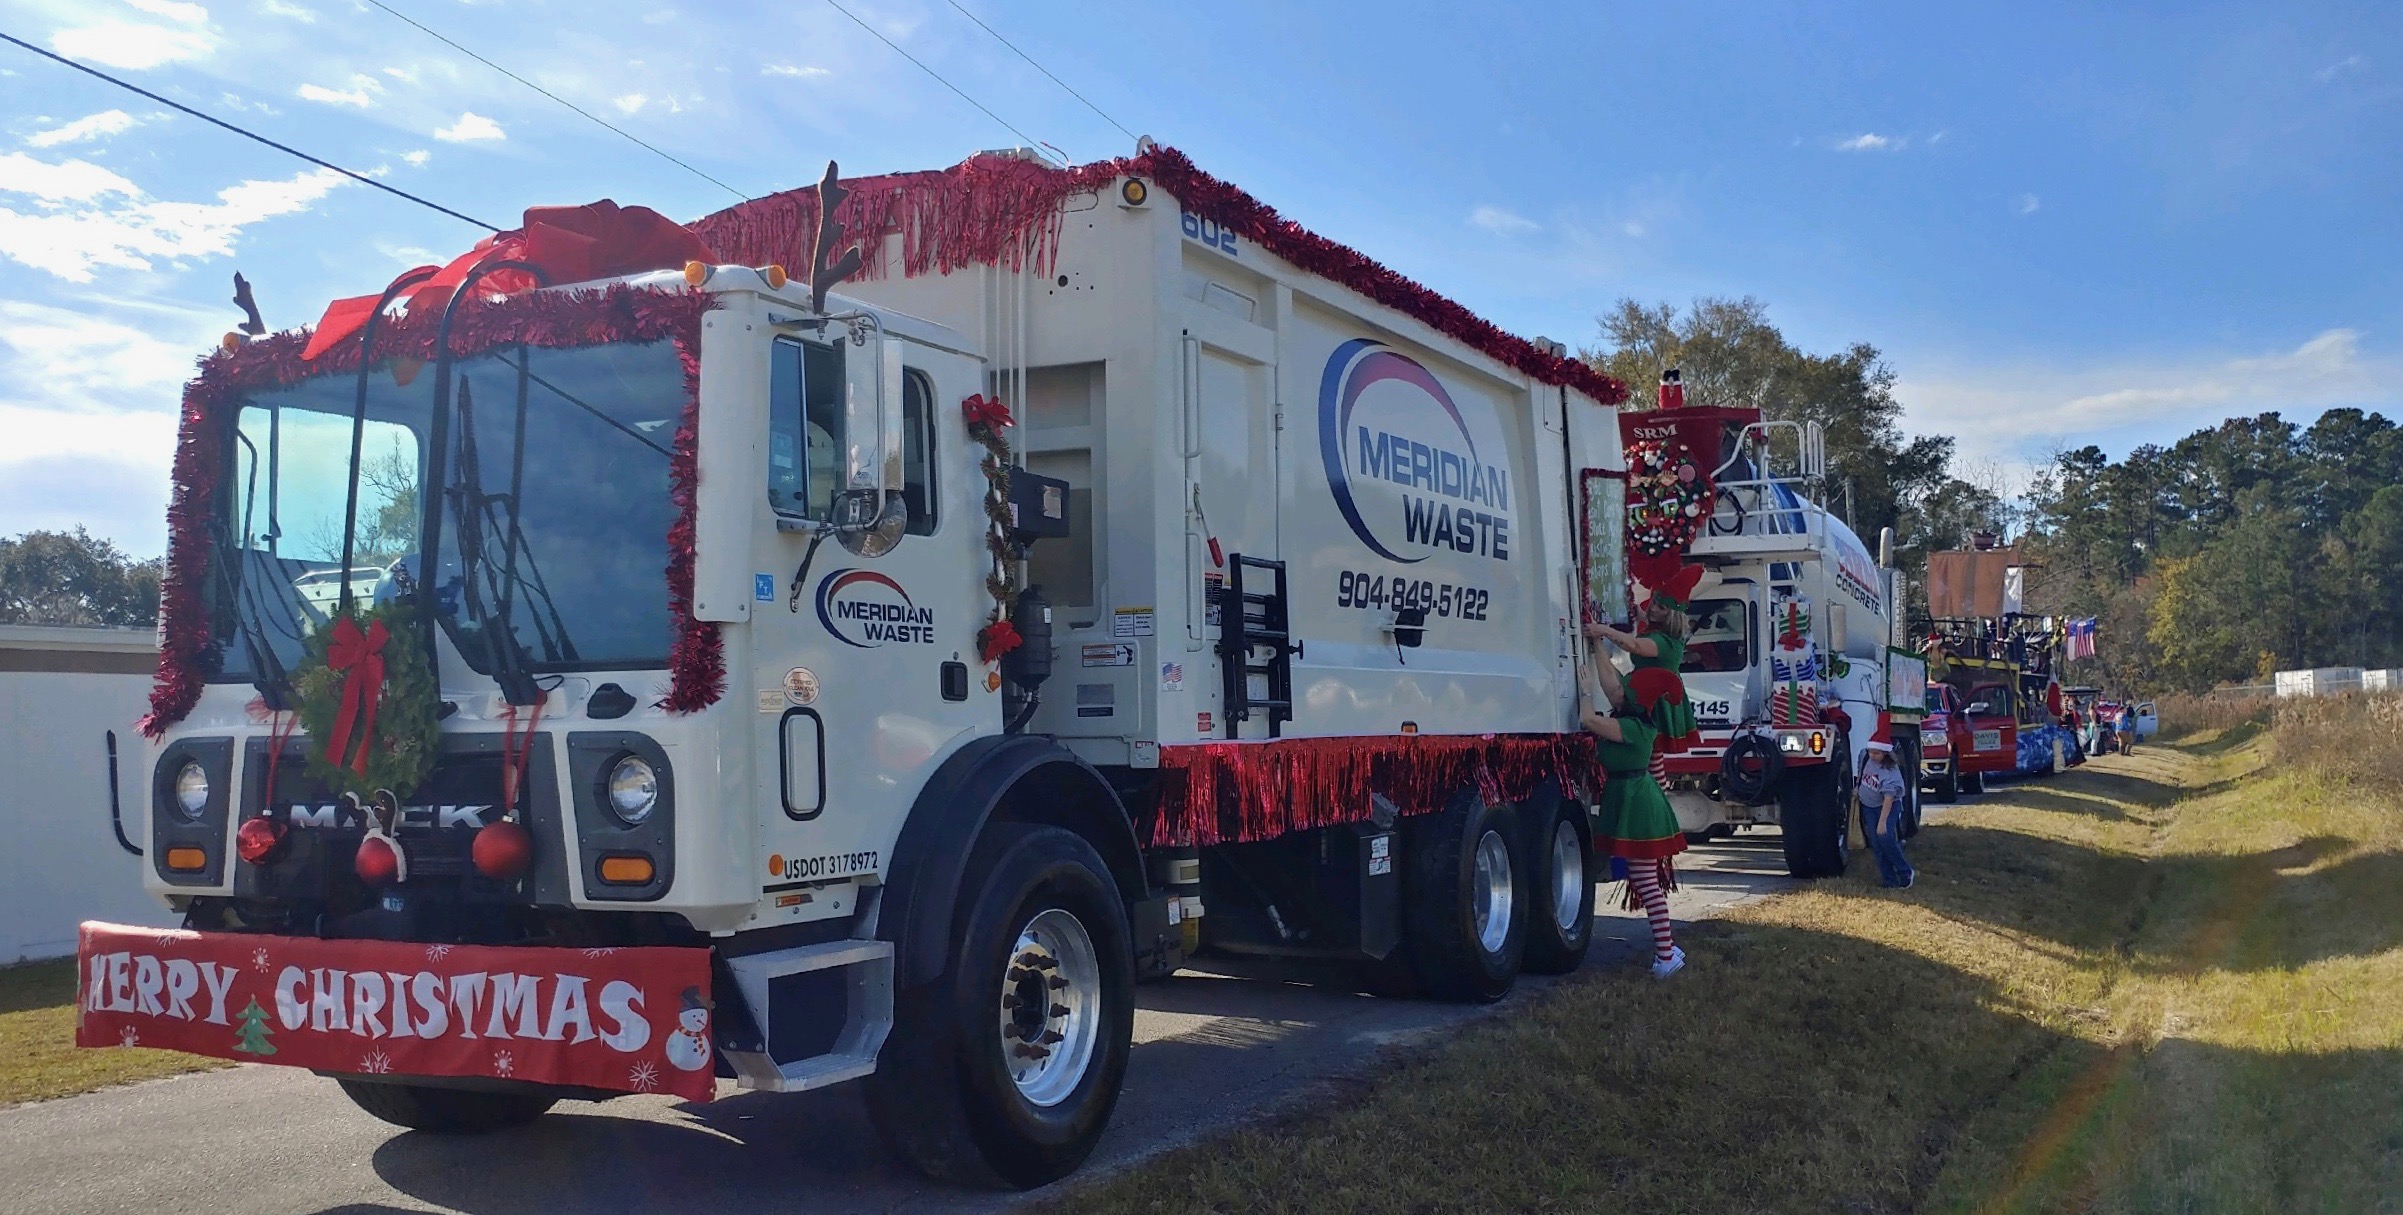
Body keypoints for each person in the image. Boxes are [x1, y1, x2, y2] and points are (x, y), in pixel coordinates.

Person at [1577, 632, 1688, 978]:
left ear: (1636, 702)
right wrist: (1596, 644)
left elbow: (1589, 721)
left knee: (1644, 879)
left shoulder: (1632, 727)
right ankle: (1668, 948)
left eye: (1626, 691)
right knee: (1645, 878)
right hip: (1633, 800)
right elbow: (1611, 684)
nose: (1617, 691)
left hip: (1637, 806)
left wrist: (1583, 693)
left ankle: (1667, 955)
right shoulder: (1636, 719)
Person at [1587, 562, 1705, 756]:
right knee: (1650, 752)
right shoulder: (1664, 631)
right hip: (1653, 690)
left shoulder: (1662, 642)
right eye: (1655, 601)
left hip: (1655, 695)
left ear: (1672, 615)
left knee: (1647, 747)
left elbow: (1632, 645)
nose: (1653, 609)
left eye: (1661, 608)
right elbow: (1643, 616)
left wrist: (1603, 630)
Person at [1859, 735, 1913, 889]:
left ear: (1886, 754)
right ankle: (1889, 880)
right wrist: (1858, 788)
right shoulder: (1865, 756)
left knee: (1886, 837)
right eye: (1871, 751)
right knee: (1876, 844)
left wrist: (1882, 822)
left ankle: (1905, 871)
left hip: (1886, 807)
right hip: (1868, 806)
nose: (1872, 756)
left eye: (1877, 753)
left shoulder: (1890, 773)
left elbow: (1888, 799)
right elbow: (1862, 772)